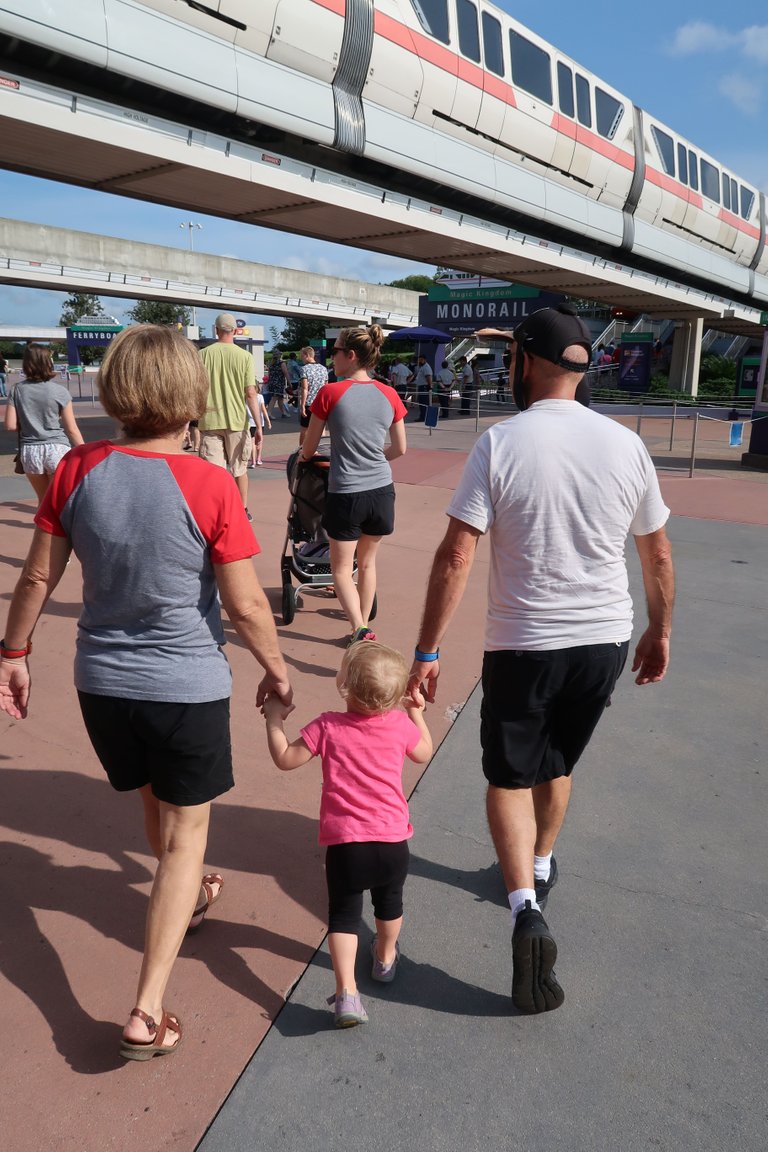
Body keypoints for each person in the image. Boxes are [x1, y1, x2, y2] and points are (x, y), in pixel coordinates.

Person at [0, 325, 292, 1058]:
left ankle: (189, 894)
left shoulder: (76, 470)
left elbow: (38, 576)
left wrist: (13, 652)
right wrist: (278, 668)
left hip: (102, 684)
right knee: (187, 835)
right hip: (184, 683)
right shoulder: (209, 482)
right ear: (186, 393)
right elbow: (246, 605)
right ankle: (146, 1009)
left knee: (152, 803)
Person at [409, 305, 675, 1016]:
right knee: (556, 762)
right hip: (603, 640)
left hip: (523, 641)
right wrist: (660, 631)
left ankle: (523, 904)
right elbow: (656, 552)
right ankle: (544, 864)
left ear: (525, 362)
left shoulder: (501, 443)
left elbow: (456, 554)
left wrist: (427, 649)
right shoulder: (627, 446)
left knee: (507, 771)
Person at [262, 641, 432, 1027]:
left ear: (345, 686)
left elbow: (285, 759)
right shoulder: (399, 725)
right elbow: (424, 751)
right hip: (392, 844)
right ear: (394, 695)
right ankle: (385, 959)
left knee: (343, 917)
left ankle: (347, 995)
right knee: (390, 906)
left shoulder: (327, 726)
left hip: (346, 847)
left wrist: (274, 719)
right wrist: (416, 713)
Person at [299, 324, 407, 645]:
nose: (330, 358)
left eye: (334, 353)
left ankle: (359, 629)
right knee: (368, 562)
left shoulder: (330, 393)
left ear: (350, 355)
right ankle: (364, 621)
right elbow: (400, 448)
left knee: (341, 569)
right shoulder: (389, 393)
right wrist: (373, 458)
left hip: (346, 492)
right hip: (381, 491)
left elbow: (308, 448)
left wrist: (316, 456)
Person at [198, 313, 262, 519]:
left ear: (215, 330)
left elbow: (195, 389)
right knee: (239, 468)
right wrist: (258, 426)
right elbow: (250, 392)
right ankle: (242, 510)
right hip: (237, 421)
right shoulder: (245, 356)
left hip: (209, 420)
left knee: (213, 472)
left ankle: (216, 511)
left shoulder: (203, 355)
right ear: (235, 331)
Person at [4, 343, 83, 505]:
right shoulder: (60, 392)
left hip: (31, 451)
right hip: (57, 449)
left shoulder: (16, 390)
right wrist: (84, 451)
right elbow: (71, 428)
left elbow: (10, 425)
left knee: (44, 502)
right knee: (60, 501)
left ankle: (43, 529)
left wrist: (29, 423)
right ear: (47, 363)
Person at [297, 345, 328, 446]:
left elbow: (305, 388)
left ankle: (301, 450)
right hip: (321, 402)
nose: (302, 359)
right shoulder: (323, 369)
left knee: (305, 429)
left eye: (302, 356)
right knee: (321, 428)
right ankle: (321, 448)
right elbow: (326, 387)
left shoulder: (304, 369)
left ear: (306, 355)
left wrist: (302, 405)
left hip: (309, 403)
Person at [248, 390, 271, 466]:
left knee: (252, 442)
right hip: (259, 422)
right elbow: (263, 409)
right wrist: (268, 420)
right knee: (259, 441)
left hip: (249, 422)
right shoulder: (260, 397)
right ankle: (258, 458)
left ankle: (253, 461)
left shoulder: (246, 397)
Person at [408, 355, 433, 422]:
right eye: (419, 360)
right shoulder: (422, 367)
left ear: (424, 360)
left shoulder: (426, 367)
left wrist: (429, 386)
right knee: (422, 402)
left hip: (424, 386)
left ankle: (423, 417)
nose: (419, 361)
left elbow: (429, 377)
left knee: (423, 403)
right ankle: (423, 416)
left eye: (421, 360)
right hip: (422, 386)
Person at [265, 350, 290, 418]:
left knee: (280, 398)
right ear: (280, 355)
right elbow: (286, 373)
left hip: (271, 382)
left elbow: (269, 373)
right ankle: (268, 413)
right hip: (278, 383)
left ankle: (283, 412)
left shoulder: (271, 363)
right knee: (274, 398)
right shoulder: (282, 363)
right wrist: (289, 383)